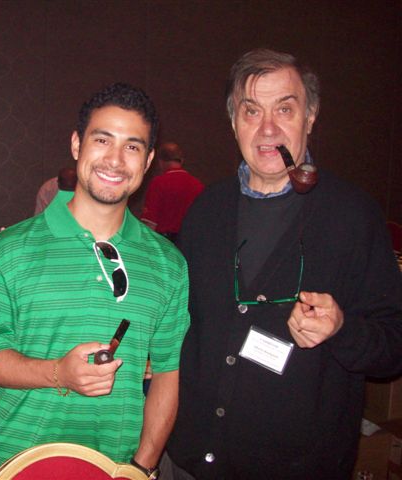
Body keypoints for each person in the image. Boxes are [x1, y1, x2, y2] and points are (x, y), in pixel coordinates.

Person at [164, 49, 402, 479]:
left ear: (310, 117)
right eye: (251, 110)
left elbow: (393, 347)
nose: (268, 128)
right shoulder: (206, 210)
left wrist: (342, 329)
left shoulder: (353, 216)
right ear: (234, 121)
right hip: (192, 461)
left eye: (285, 109)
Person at [0, 83, 190, 478]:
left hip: (118, 467)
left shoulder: (168, 264)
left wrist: (141, 467)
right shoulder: (8, 250)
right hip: (23, 464)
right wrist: (59, 372)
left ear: (148, 161)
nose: (115, 160)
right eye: (102, 140)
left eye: (132, 146)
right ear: (77, 145)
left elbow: (167, 374)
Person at [140, 142, 204, 242]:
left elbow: (150, 223)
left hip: (164, 242)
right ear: (182, 160)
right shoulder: (198, 185)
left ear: (160, 162)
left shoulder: (159, 183)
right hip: (190, 241)